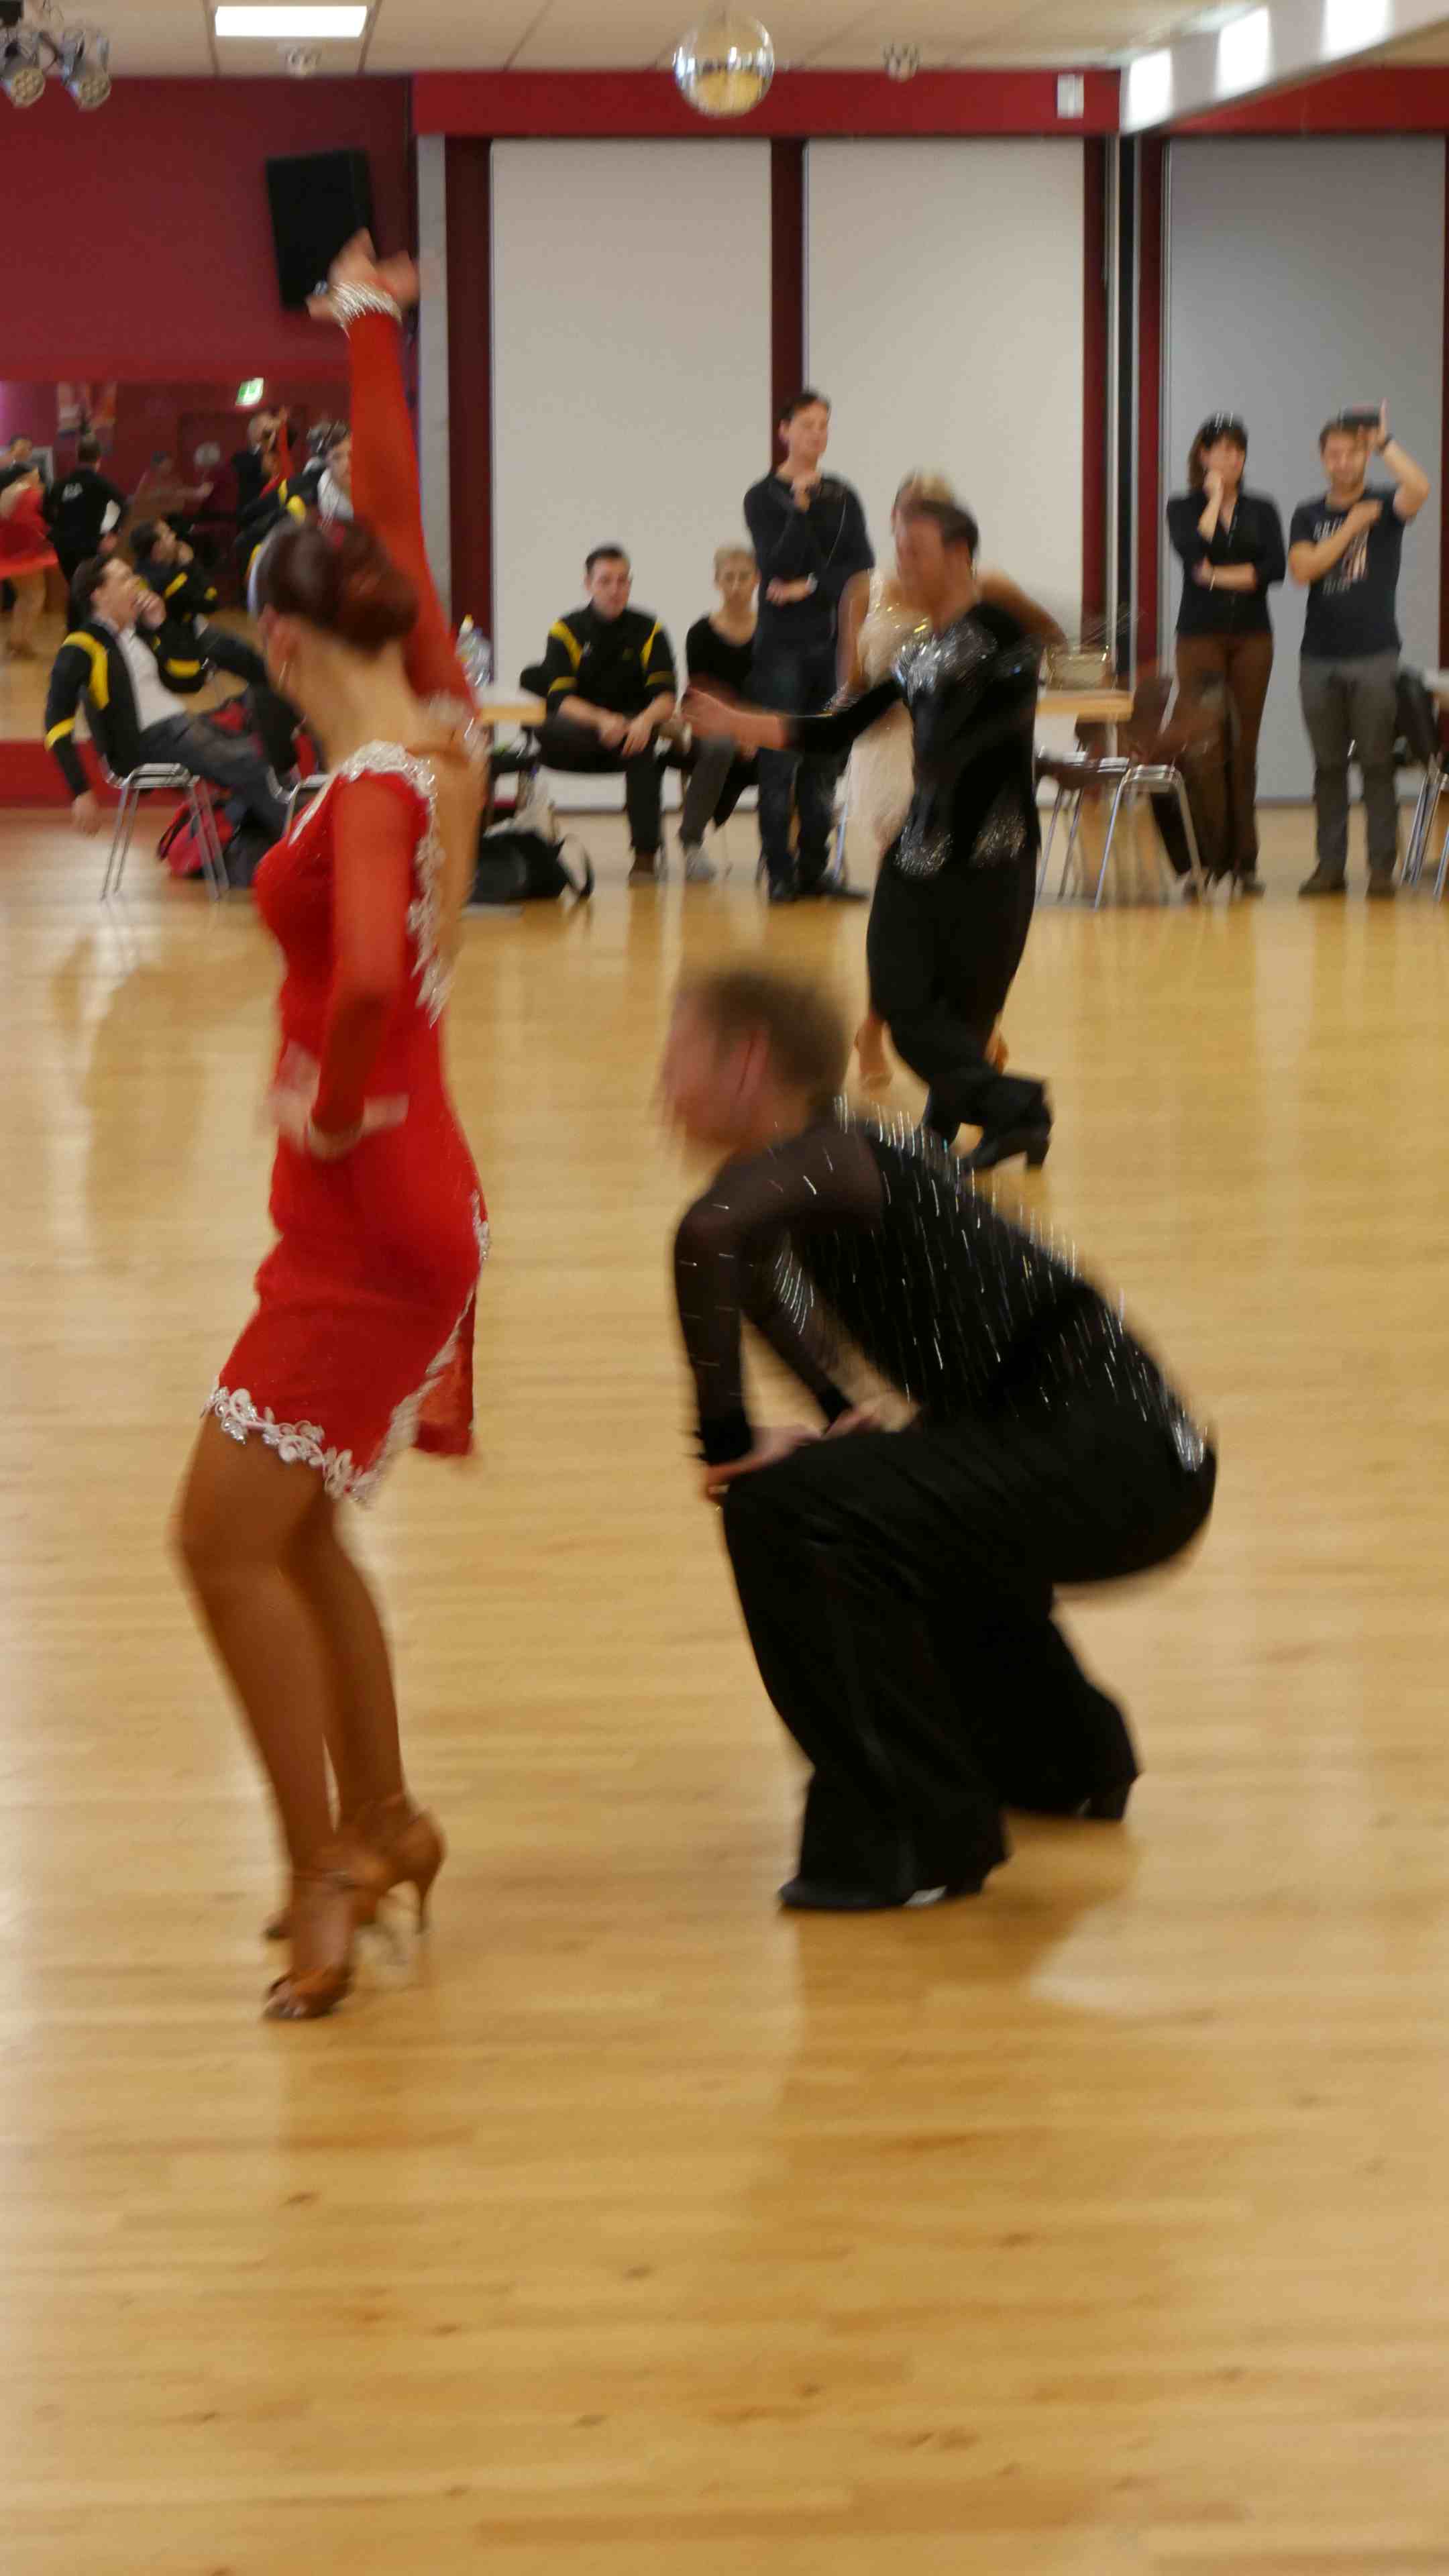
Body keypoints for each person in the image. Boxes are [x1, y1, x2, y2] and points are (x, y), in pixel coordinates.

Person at [174, 233, 488, 2024]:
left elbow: (366, 970)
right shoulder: (441, 734)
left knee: (219, 1539)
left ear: (285, 641)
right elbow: (397, 517)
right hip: (407, 1201)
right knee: (293, 1536)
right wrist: (366, 327)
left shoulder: (371, 789)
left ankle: (317, 1872)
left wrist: (332, 1091)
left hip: (371, 1213)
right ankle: (383, 1824)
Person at [663, 964, 1216, 1911]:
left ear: (748, 1062)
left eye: (677, 1058)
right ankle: (1060, 1763)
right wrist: (835, 1411)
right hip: (1105, 1446)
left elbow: (707, 1238)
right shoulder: (818, 1162)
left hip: (1116, 1455)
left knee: (787, 1512)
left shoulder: (836, 1149)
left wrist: (725, 1442)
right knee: (858, 1492)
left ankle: (915, 1837)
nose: (661, 1089)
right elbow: (756, 1276)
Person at [688, 495, 1051, 1174]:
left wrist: (1019, 606)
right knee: (901, 1001)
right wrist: (738, 723)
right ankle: (1019, 1108)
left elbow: (1033, 660)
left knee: (966, 1013)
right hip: (919, 850)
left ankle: (955, 1130)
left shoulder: (1000, 632)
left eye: (916, 550)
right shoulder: (917, 653)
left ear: (959, 555)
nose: (901, 563)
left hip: (993, 856)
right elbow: (838, 728)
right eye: (899, 550)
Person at [841, 470, 1065, 1087]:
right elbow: (852, 679)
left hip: (951, 753)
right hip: (887, 748)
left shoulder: (983, 590)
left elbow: (1046, 638)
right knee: (902, 901)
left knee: (944, 899)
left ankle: (963, 1028)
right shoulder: (865, 588)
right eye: (905, 514)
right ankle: (892, 1027)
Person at [44, 555, 290, 841]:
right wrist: (80, 791)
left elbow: (190, 678)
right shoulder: (81, 645)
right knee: (252, 762)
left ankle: (266, 839)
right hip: (151, 742)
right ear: (99, 595)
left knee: (264, 745)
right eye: (124, 579)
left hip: (181, 728)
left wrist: (161, 624)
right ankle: (303, 843)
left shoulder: (139, 635)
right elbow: (56, 722)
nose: (136, 583)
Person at [1289, 403, 1430, 900]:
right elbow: (1303, 570)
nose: (1343, 462)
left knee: (1375, 763)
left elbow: (1421, 488)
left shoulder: (1385, 504)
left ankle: (1380, 870)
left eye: (1352, 453)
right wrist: (1351, 527)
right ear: (1322, 457)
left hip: (1374, 654)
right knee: (1328, 767)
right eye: (1334, 454)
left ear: (1363, 456)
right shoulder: (1308, 514)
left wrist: (1385, 443)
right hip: (1318, 657)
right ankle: (1330, 867)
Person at [743, 390, 874, 902]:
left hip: (830, 643)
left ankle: (817, 869)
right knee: (779, 760)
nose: (817, 434)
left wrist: (813, 587)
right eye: (807, 425)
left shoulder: (843, 495)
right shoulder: (762, 497)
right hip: (781, 648)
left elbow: (861, 569)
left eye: (824, 425)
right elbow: (775, 566)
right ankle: (780, 870)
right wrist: (799, 510)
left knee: (824, 760)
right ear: (784, 431)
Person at [1163, 415, 1286, 895]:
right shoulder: (1183, 506)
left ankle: (1243, 862)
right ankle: (1203, 863)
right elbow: (1193, 552)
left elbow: (1272, 569)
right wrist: (1214, 499)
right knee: (1204, 748)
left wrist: (1218, 576)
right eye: (1221, 449)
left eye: (1238, 450)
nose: (1231, 458)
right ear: (1203, 455)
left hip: (1253, 638)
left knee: (1243, 747)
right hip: (1200, 637)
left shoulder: (1262, 508)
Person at [534, 549, 678, 885]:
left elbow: (666, 697)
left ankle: (645, 857)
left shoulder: (650, 630)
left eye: (622, 581)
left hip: (628, 733)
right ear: (588, 584)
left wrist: (643, 721)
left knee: (642, 742)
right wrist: (601, 721)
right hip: (575, 735)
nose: (615, 589)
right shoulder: (565, 630)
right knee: (553, 722)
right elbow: (560, 699)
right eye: (605, 581)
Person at [678, 544, 759, 883]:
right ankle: (691, 841)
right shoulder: (701, 634)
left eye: (744, 577)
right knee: (721, 745)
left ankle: (784, 850)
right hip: (711, 729)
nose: (736, 585)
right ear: (717, 581)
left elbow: (777, 692)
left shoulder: (773, 632)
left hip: (761, 728)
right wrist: (737, 731)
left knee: (796, 745)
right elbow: (702, 696)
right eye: (729, 578)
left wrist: (755, 731)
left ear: (756, 580)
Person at [129, 517, 268, 688]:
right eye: (167, 534)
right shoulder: (172, 581)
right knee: (251, 662)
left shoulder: (141, 570)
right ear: (158, 548)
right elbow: (211, 601)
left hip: (175, 634)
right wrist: (190, 564)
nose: (174, 536)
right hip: (187, 640)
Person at [44, 433, 129, 588]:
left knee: (74, 587)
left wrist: (59, 527)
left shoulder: (61, 484)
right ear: (98, 458)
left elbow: (47, 511)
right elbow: (123, 505)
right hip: (91, 544)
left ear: (78, 456)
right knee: (92, 588)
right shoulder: (100, 483)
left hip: (64, 545)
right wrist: (112, 533)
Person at [0, 460, 60, 659]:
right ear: (26, 476)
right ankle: (21, 642)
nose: (38, 478)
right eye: (36, 474)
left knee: (24, 597)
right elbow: (33, 523)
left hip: (7, 553)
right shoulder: (31, 494)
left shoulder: (6, 493)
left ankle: (16, 640)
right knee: (35, 596)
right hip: (26, 554)